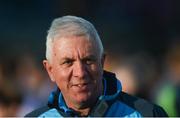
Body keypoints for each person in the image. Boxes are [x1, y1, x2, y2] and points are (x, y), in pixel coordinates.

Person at [25, 15, 168, 117]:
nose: (80, 73)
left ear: (102, 62)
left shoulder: (148, 114)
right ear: (50, 70)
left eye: (88, 60)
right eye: (68, 62)